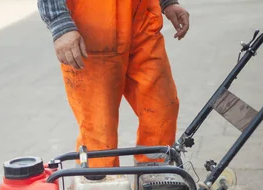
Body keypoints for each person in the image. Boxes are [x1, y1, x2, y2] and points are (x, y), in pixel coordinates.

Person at [38, 0, 190, 168]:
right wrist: (59, 23)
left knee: (162, 109)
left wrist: (167, 3)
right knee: (98, 130)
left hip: (142, 29)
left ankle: (156, 181)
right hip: (93, 36)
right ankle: (101, 188)